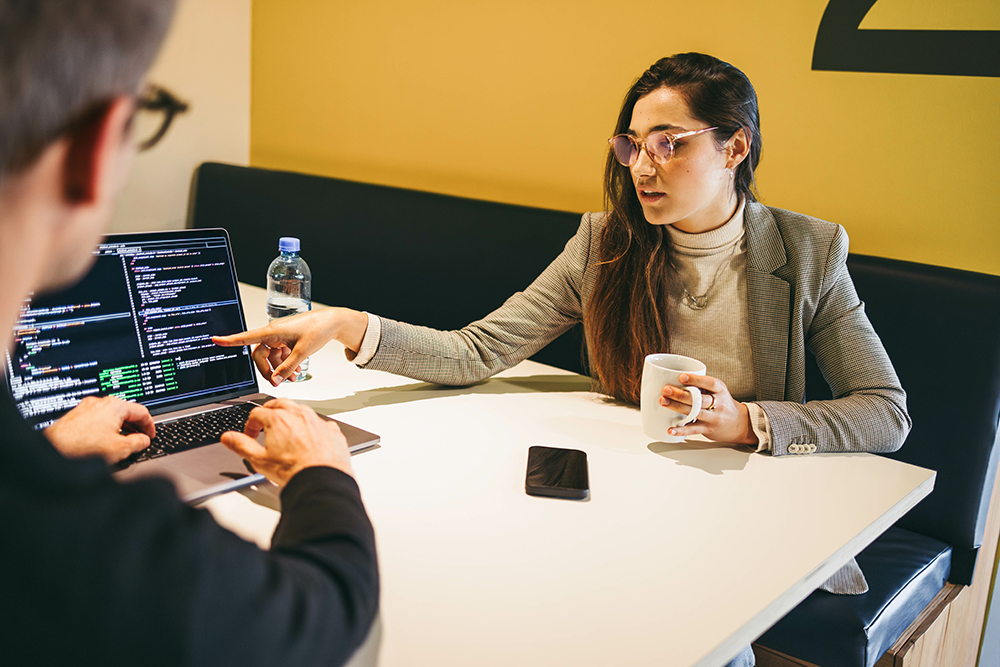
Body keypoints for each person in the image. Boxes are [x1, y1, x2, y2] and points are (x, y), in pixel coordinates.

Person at [218, 52, 911, 666]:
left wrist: (751, 420)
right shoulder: (605, 242)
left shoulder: (808, 251)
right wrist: (346, 323)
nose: (643, 166)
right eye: (633, 144)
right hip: (629, 503)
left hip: (741, 513)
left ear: (735, 148)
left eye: (669, 144)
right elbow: (477, 349)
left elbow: (884, 410)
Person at [0, 3, 378, 665]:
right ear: (96, 147)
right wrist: (321, 475)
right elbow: (319, 608)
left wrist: (49, 452)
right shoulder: (87, 550)